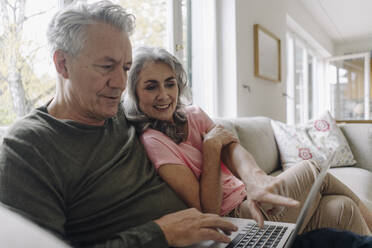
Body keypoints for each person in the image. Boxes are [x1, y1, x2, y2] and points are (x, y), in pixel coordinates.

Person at [0, 1, 300, 247]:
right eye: (106, 66)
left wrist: (253, 174)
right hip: (176, 239)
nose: (120, 83)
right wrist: (160, 234)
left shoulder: (126, 113)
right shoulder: (27, 146)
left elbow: (214, 134)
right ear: (62, 64)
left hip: (217, 234)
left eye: (126, 68)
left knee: (336, 236)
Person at [123, 46, 372, 236]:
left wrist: (255, 179)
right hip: (235, 219)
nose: (164, 95)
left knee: (342, 208)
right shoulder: (153, 141)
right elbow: (206, 212)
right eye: (151, 87)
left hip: (252, 199)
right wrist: (211, 148)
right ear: (134, 92)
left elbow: (233, 148)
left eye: (170, 84)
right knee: (313, 168)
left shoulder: (195, 115)